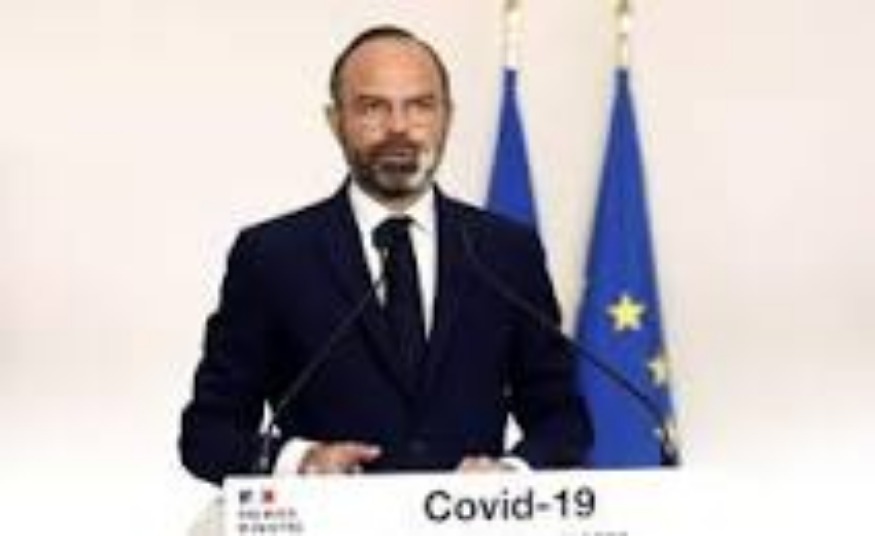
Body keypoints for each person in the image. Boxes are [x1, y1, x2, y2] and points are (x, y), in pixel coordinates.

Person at [179, 25, 591, 485]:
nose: (398, 127)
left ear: (447, 117)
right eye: (373, 107)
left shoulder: (505, 253)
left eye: (420, 106)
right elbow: (208, 435)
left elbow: (563, 419)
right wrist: (301, 461)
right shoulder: (272, 257)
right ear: (335, 121)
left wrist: (511, 473)